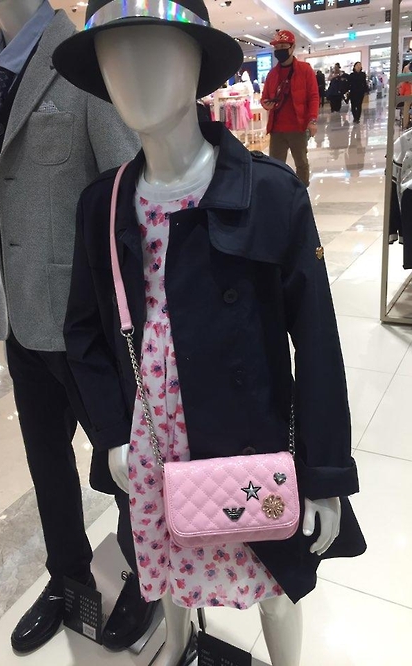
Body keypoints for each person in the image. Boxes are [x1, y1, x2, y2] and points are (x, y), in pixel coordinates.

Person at [53, 1, 366, 664]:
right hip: (150, 431)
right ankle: (175, 643)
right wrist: (111, 431)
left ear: (197, 63)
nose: (133, 74)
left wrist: (323, 475)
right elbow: (82, 331)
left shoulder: (270, 193)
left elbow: (316, 344)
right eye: (114, 57)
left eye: (155, 51)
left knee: (273, 580)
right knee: (165, 557)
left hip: (248, 433)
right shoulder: (101, 204)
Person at [0, 0, 158, 655]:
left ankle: (147, 574)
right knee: (46, 462)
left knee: (125, 462)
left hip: (87, 325)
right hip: (19, 318)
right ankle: (67, 576)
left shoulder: (86, 63)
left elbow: (129, 194)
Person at [260, 29, 319, 187]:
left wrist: (312, 120)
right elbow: (264, 98)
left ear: (292, 47)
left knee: (301, 163)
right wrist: (266, 104)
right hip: (277, 128)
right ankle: (279, 192)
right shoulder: (272, 74)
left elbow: (313, 96)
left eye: (283, 46)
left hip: (298, 127)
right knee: (275, 166)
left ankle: (302, 191)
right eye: (277, 47)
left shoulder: (305, 70)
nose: (279, 50)